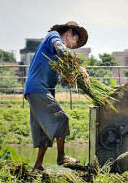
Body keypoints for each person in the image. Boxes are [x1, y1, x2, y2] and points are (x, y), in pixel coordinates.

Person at [24, 21, 88, 172]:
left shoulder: (56, 57)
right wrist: (77, 67)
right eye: (75, 41)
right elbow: (61, 47)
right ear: (69, 32)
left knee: (42, 131)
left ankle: (38, 165)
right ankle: (61, 157)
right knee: (62, 119)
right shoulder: (54, 36)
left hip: (39, 89)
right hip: (38, 88)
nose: (73, 46)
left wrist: (70, 77)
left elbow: (58, 77)